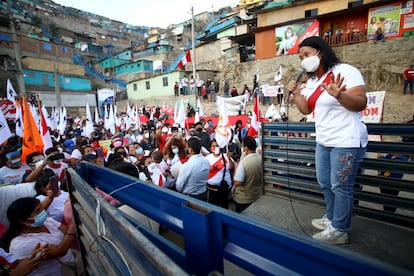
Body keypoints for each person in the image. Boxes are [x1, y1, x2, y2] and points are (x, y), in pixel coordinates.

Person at [288, 36, 367, 245]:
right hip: (324, 141)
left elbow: (360, 103)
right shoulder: (313, 81)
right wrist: (297, 94)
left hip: (346, 140)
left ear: (320, 52)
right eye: (300, 57)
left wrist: (339, 95)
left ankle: (340, 230)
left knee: (341, 186)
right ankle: (332, 219)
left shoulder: (346, 71)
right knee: (325, 182)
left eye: (307, 54)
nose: (303, 60)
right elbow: (306, 109)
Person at [2, 197, 77, 275]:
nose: (43, 213)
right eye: (38, 211)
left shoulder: (47, 221)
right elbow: (59, 251)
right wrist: (73, 227)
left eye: (42, 209)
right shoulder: (21, 244)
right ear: (24, 221)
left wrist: (70, 231)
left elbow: (66, 231)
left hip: (72, 263)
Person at [232, 136, 263, 213]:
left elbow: (237, 182)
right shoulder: (261, 159)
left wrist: (236, 168)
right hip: (257, 196)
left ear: (246, 148)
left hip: (244, 199)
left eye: (242, 146)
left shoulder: (244, 163)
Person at [206, 140, 233, 208]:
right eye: (213, 146)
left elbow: (232, 167)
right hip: (212, 189)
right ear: (210, 148)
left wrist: (229, 158)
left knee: (224, 207)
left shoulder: (225, 156)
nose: (215, 147)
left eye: (217, 146)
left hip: (224, 188)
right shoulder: (207, 158)